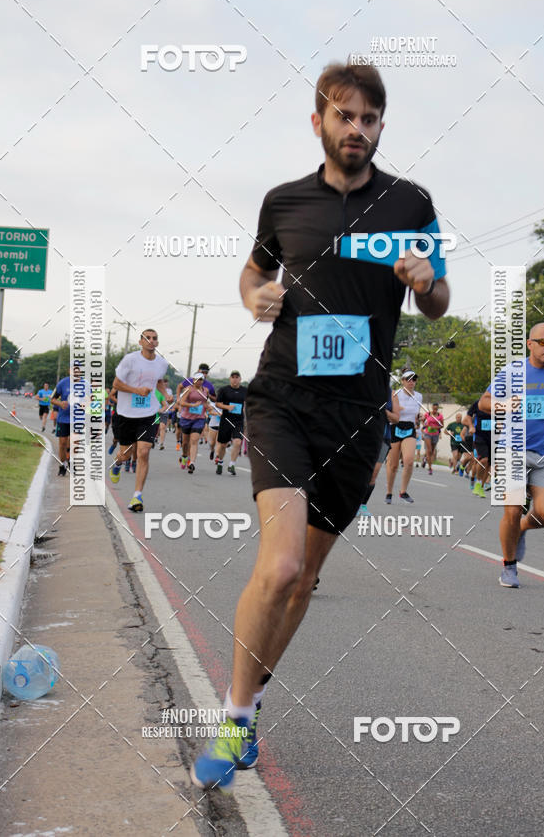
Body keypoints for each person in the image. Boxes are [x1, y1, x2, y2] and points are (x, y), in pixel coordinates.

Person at [191, 61, 449, 790]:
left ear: (380, 128)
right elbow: (251, 272)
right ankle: (234, 717)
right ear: (319, 122)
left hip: (358, 412)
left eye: (370, 119)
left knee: (303, 580)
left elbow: (439, 299)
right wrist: (256, 298)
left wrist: (427, 285)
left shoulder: (412, 202)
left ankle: (254, 699)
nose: (356, 129)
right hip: (282, 398)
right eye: (344, 116)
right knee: (277, 566)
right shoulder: (284, 202)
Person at [479, 322, 544, 588]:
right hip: (513, 450)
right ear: (530, 344)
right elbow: (484, 402)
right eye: (543, 342)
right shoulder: (512, 371)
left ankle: (521, 529)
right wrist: (505, 404)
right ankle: (509, 567)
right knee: (511, 509)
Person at [109, 329, 171, 511]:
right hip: (126, 414)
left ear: (157, 343)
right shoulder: (130, 360)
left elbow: (158, 381)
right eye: (147, 338)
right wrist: (137, 391)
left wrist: (165, 393)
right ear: (140, 342)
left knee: (144, 452)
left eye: (154, 338)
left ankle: (137, 497)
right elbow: (116, 384)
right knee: (125, 454)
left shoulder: (161, 363)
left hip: (148, 414)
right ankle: (118, 463)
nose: (151, 341)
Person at [358, 385, 400, 515]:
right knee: (358, 471)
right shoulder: (365, 387)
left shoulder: (392, 393)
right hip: (363, 435)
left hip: (383, 438)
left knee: (373, 473)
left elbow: (396, 418)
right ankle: (351, 502)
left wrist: (384, 412)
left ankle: (362, 505)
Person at [385, 371, 422, 504]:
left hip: (409, 429)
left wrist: (419, 419)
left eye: (414, 379)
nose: (411, 382)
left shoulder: (419, 396)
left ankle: (403, 492)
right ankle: (389, 492)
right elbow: (393, 410)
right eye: (408, 379)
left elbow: (416, 414)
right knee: (393, 465)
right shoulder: (395, 394)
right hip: (395, 427)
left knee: (409, 461)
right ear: (402, 381)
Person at [214, 371, 247, 476]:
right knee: (223, 445)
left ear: (240, 379)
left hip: (239, 421)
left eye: (237, 377)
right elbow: (217, 403)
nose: (235, 379)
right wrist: (227, 407)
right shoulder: (224, 390)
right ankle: (220, 462)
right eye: (233, 377)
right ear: (230, 379)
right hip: (226, 420)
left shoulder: (245, 391)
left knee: (237, 442)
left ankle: (232, 464)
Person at [178, 373, 210, 473]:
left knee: (194, 440)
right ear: (193, 380)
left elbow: (205, 402)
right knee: (185, 442)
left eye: (201, 380)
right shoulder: (188, 389)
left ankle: (192, 462)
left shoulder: (205, 390)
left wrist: (208, 407)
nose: (199, 381)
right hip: (186, 418)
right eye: (197, 379)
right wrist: (192, 405)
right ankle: (184, 456)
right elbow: (181, 402)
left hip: (199, 418)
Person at [463, 400, 492, 498]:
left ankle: (481, 486)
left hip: (494, 437)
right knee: (484, 460)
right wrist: (471, 426)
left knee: (488, 464)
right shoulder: (479, 403)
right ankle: (478, 481)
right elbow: (468, 416)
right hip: (480, 436)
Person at [52, 369, 74, 476]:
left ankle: (72, 461)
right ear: (69, 370)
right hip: (63, 418)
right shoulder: (63, 383)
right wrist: (60, 404)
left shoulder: (85, 385)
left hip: (78, 419)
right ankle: (63, 464)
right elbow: (52, 399)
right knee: (62, 443)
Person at [421, 402, 443, 474]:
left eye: (436, 409)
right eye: (434, 408)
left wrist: (436, 427)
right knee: (429, 450)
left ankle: (425, 459)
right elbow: (423, 421)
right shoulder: (428, 414)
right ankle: (430, 468)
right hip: (428, 434)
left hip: (435, 434)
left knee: (432, 452)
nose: (435, 410)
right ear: (432, 407)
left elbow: (442, 425)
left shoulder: (440, 416)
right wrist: (425, 425)